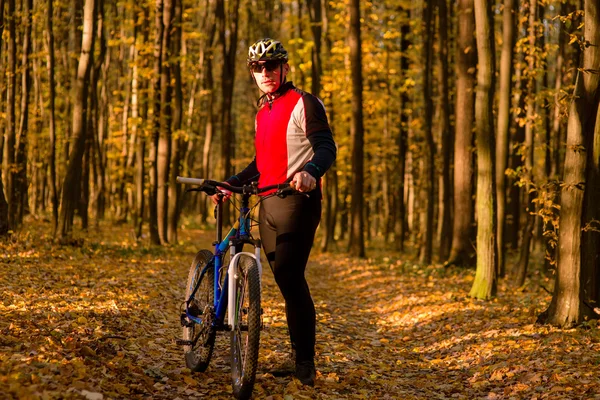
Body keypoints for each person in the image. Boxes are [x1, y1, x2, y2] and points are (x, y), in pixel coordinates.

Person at [212, 38, 336, 386]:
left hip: (296, 202)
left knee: (290, 278)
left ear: (285, 68)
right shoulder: (261, 110)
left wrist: (311, 171)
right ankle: (294, 357)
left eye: (271, 66)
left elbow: (326, 146)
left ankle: (304, 365)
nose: (264, 72)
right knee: (282, 279)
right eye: (257, 67)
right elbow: (261, 163)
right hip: (265, 204)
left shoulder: (304, 102)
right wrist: (231, 183)